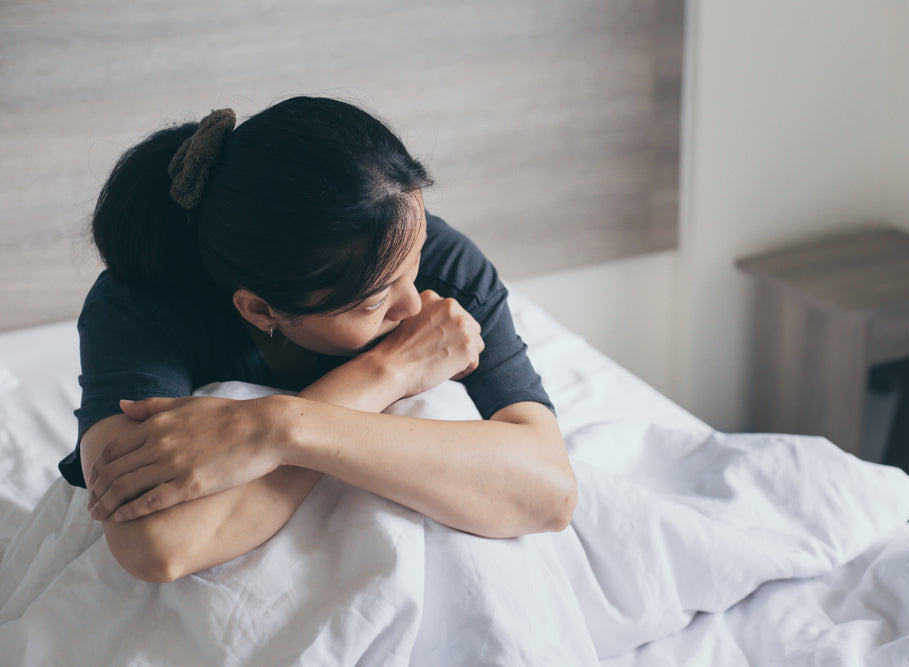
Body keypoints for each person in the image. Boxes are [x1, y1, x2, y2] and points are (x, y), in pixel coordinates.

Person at [60, 97, 577, 583]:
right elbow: (158, 546)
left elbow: (550, 493)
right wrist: (383, 374)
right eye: (374, 301)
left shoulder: (444, 269)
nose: (415, 306)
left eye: (415, 253)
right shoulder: (142, 305)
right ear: (261, 309)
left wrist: (280, 430)